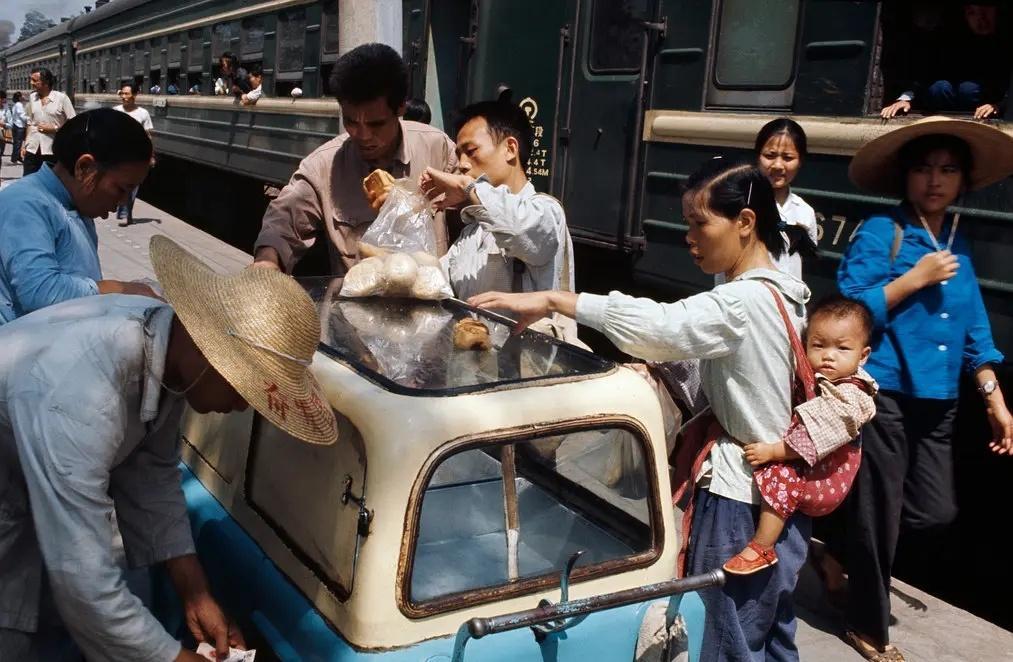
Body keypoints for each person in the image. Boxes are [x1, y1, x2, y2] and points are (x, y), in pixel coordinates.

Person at [470, 158, 813, 661]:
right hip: (783, 502)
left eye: (700, 224)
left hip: (742, 500)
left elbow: (661, 327)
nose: (689, 237)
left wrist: (554, 301)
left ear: (745, 222)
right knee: (772, 633)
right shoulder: (785, 293)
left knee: (727, 640)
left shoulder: (742, 302)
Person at [0, 234, 338, 662]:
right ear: (210, 351)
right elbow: (85, 586)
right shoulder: (81, 397)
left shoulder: (166, 349)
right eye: (243, 389)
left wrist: (195, 592)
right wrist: (175, 659)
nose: (239, 407)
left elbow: (151, 471)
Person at [824, 117, 1013, 662]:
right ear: (906, 177)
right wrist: (914, 279)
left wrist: (993, 395)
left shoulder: (960, 238)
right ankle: (867, 625)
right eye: (924, 169)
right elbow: (852, 311)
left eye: (948, 170)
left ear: (962, 181)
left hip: (941, 400)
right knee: (880, 512)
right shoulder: (883, 231)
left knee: (936, 511)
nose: (935, 180)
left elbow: (974, 324)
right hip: (885, 392)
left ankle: (838, 545)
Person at [252, 43, 457, 275]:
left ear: (401, 107)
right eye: (350, 122)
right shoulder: (324, 166)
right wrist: (267, 261)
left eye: (376, 124)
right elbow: (283, 221)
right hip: (357, 308)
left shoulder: (438, 150)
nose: (362, 135)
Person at [723, 295, 877, 575]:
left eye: (842, 348)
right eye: (818, 345)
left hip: (824, 478)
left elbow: (813, 438)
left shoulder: (853, 395)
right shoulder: (817, 377)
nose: (828, 355)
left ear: (863, 355)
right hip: (813, 468)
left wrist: (772, 451)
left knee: (781, 472)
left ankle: (762, 547)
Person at [0, 109, 157, 326]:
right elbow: (40, 292)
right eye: (122, 189)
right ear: (84, 168)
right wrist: (121, 289)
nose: (123, 201)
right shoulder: (25, 203)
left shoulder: (77, 205)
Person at [419, 101, 575, 315]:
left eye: (471, 151)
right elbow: (435, 278)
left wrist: (467, 187)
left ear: (510, 149)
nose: (462, 164)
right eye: (459, 154)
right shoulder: (473, 231)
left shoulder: (546, 212)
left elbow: (517, 228)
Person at [881, 2, 1009, 120]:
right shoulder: (950, 42)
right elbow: (925, 73)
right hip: (940, 118)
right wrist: (906, 99)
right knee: (940, 88)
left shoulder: (1005, 44)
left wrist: (999, 105)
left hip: (983, 118)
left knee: (968, 89)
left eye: (985, 11)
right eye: (972, 13)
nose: (980, 18)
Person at [22, 67, 77, 176]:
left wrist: (54, 129)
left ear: (45, 82)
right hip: (32, 148)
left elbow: (74, 123)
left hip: (51, 150)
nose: (31, 83)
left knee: (49, 182)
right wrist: (25, 145)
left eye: (34, 80)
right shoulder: (33, 97)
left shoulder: (62, 98)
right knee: (28, 180)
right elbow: (30, 123)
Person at [113, 82, 155, 226]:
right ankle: (124, 211)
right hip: (118, 154)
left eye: (127, 94)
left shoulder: (143, 113)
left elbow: (149, 136)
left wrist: (151, 155)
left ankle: (125, 212)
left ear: (135, 95)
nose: (123, 97)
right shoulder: (115, 111)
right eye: (122, 94)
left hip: (137, 155)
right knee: (122, 183)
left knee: (132, 185)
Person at [7, 92, 27, 165]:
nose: (24, 96)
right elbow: (22, 115)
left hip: (16, 125)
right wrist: (29, 120)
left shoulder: (15, 105)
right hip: (20, 126)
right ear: (19, 97)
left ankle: (18, 157)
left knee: (17, 143)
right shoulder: (19, 105)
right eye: (22, 95)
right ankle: (15, 158)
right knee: (18, 143)